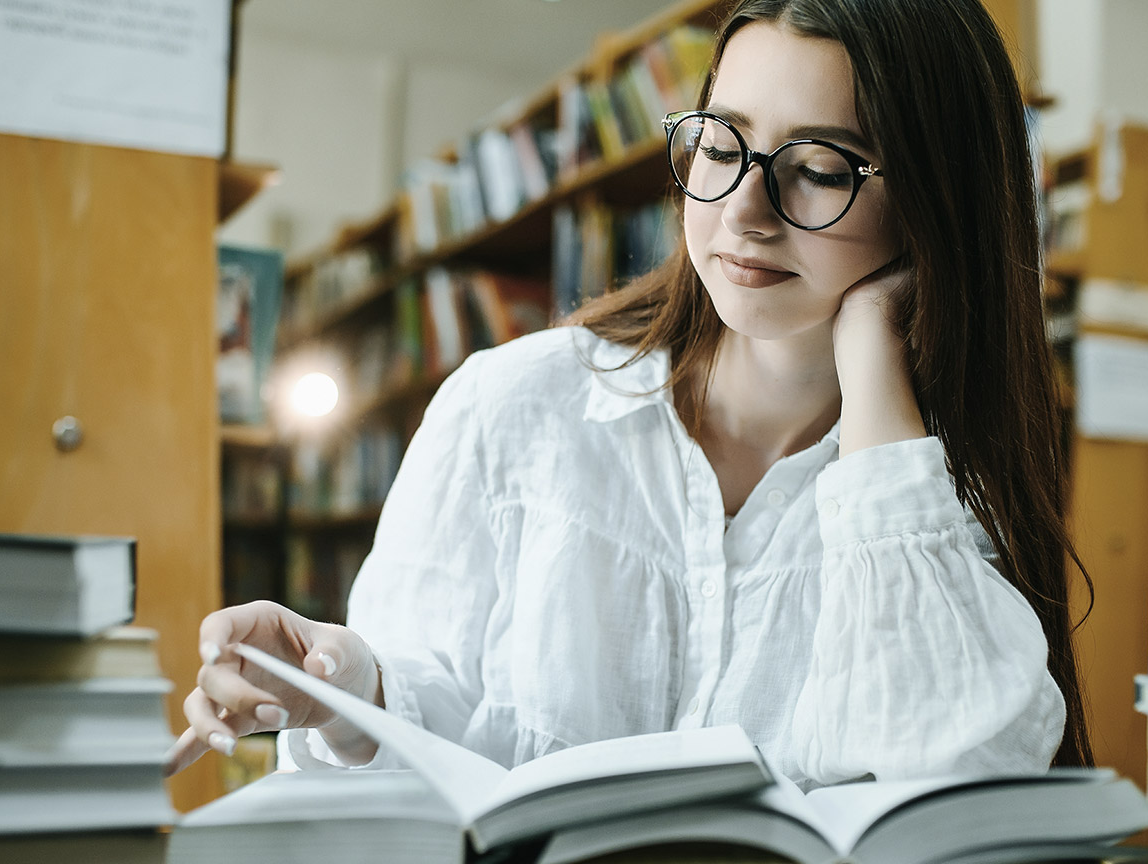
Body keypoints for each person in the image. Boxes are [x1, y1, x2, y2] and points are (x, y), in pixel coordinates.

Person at [166, 0, 1094, 789]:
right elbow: (431, 717)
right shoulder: (512, 405)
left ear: (939, 203)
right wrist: (336, 685)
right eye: (720, 143)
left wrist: (877, 380)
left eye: (818, 170)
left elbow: (969, 789)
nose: (740, 213)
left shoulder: (936, 502)